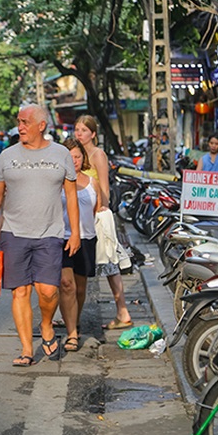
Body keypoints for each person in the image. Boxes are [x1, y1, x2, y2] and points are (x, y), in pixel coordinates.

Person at [0, 104, 80, 366]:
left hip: (50, 233)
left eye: (25, 122)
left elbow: (71, 196)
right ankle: (27, 349)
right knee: (20, 292)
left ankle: (47, 326)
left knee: (48, 291)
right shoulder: (6, 156)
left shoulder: (61, 154)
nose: (20, 127)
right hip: (13, 232)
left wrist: (76, 233)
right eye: (18, 121)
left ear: (41, 125)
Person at [74, 115, 133, 329]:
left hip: (97, 216)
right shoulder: (74, 154)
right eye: (77, 129)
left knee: (109, 262)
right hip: (78, 217)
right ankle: (72, 315)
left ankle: (122, 311)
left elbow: (104, 187)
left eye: (83, 130)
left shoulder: (98, 154)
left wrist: (100, 211)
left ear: (93, 134)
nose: (79, 133)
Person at [59, 138, 102, 353]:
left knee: (81, 288)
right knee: (67, 285)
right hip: (62, 238)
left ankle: (74, 320)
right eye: (70, 157)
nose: (74, 160)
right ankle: (72, 333)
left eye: (77, 156)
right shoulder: (56, 182)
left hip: (86, 238)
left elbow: (97, 211)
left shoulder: (92, 183)